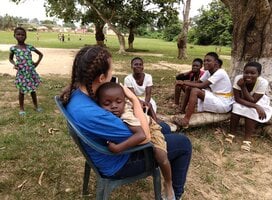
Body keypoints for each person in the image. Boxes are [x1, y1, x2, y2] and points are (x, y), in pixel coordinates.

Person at [60, 46, 192, 200]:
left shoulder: (77, 93)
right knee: (183, 143)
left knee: (164, 128)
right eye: (112, 69)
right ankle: (175, 193)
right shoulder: (93, 114)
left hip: (105, 150)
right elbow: (145, 137)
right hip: (118, 163)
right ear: (101, 78)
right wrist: (134, 100)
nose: (113, 73)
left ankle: (169, 178)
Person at [96, 82, 175, 199]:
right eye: (107, 103)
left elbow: (141, 135)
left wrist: (118, 148)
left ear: (124, 100)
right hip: (142, 125)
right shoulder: (103, 112)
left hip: (150, 129)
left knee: (161, 156)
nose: (114, 106)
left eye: (118, 102)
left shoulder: (126, 115)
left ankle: (168, 183)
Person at [174, 52, 234, 128]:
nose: (205, 62)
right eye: (204, 61)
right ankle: (182, 110)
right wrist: (185, 83)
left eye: (208, 61)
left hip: (224, 102)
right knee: (189, 88)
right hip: (216, 97)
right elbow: (198, 82)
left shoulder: (220, 72)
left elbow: (202, 85)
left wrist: (183, 82)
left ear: (215, 62)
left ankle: (186, 120)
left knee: (195, 90)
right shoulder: (208, 72)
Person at [230, 61, 272, 152]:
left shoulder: (263, 82)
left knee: (251, 112)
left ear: (259, 74)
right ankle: (231, 133)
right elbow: (237, 99)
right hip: (241, 99)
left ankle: (247, 139)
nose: (248, 75)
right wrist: (256, 106)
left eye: (253, 73)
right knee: (236, 108)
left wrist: (243, 87)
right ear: (243, 72)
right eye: (246, 72)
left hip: (258, 100)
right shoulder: (239, 79)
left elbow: (253, 100)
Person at [9, 27, 43, 116]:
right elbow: (11, 59)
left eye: (23, 35)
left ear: (26, 36)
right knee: (21, 91)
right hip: (22, 73)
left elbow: (40, 54)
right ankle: (21, 108)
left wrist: (36, 63)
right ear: (14, 36)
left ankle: (36, 106)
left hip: (30, 72)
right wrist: (14, 64)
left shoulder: (29, 47)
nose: (21, 36)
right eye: (18, 34)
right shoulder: (13, 48)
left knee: (33, 90)